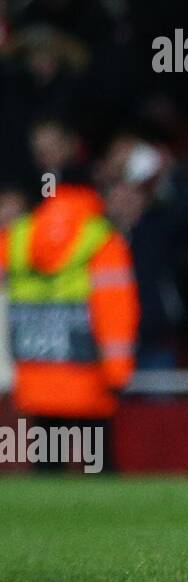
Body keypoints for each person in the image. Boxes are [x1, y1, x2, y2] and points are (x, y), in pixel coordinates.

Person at [0, 167, 139, 473]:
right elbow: (115, 312)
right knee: (98, 470)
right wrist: (118, 374)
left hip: (36, 376)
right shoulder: (102, 239)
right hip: (89, 379)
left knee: (47, 473)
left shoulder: (18, 235)